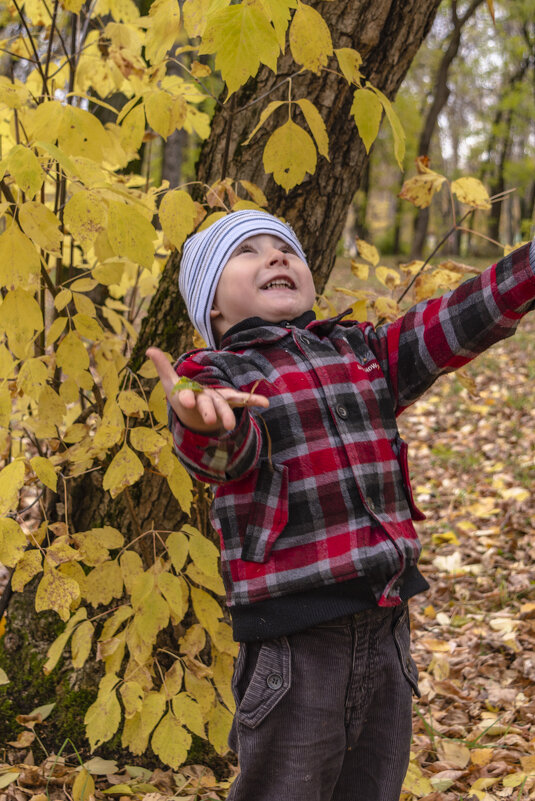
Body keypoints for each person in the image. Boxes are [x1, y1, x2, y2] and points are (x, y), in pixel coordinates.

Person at [147, 209, 535, 801]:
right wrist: (205, 424)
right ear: (213, 308)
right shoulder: (217, 374)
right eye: (247, 251)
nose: (275, 256)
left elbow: (458, 318)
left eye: (284, 247)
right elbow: (224, 457)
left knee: (373, 786)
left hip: (387, 630)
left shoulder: (364, 353)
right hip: (296, 648)